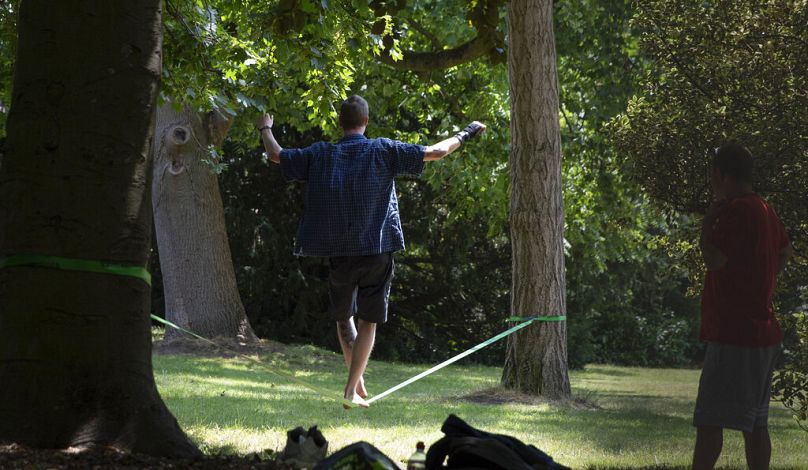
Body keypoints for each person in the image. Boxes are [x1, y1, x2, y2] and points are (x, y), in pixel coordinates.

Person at [256, 95, 485, 408]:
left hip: (339, 253)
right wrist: (467, 132)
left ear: (341, 123)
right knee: (368, 321)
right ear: (365, 121)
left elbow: (275, 155)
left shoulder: (322, 154)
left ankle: (356, 383)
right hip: (376, 250)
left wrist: (265, 128)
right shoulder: (382, 150)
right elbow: (437, 151)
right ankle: (352, 389)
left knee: (343, 318)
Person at [692, 143, 793, 470]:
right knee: (755, 424)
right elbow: (783, 252)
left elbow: (716, 259)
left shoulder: (735, 211)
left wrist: (707, 226)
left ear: (720, 174)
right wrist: (759, 275)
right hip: (763, 333)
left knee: (709, 423)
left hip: (734, 334)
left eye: (712, 174)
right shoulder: (765, 209)